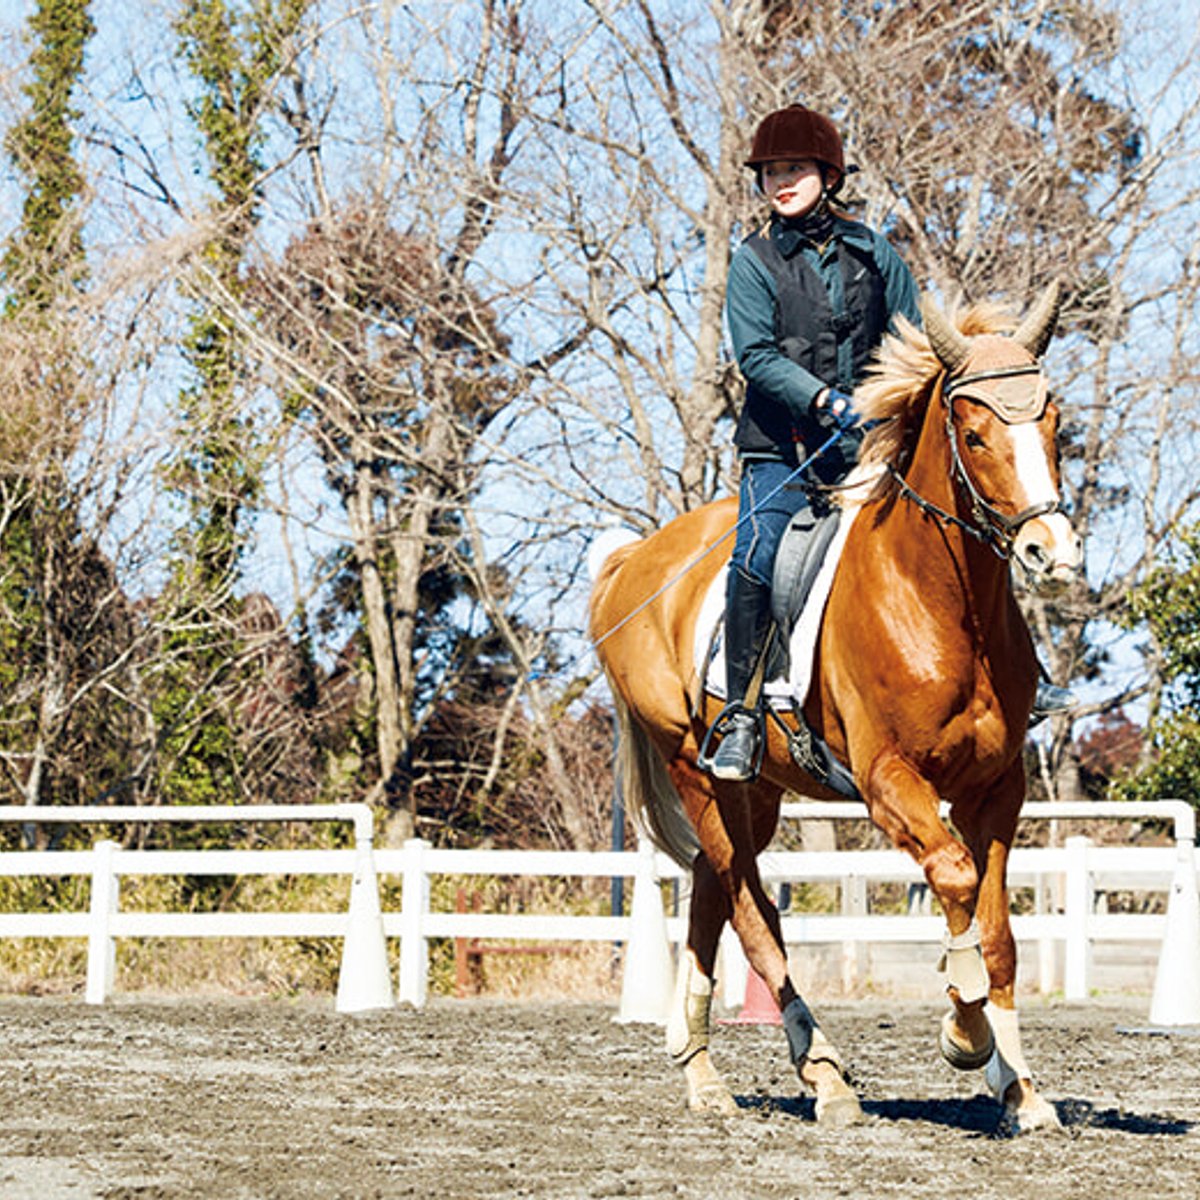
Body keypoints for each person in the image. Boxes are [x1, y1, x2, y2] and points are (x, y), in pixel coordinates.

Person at [705, 104, 1071, 783]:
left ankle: (1029, 675)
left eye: (795, 169)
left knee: (968, 530)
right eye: (771, 172)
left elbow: (912, 348)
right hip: (781, 450)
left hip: (871, 449)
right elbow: (754, 355)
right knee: (756, 554)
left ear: (828, 174)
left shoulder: (877, 255)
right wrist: (820, 399)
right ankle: (743, 714)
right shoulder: (752, 262)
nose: (781, 181)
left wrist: (886, 413)